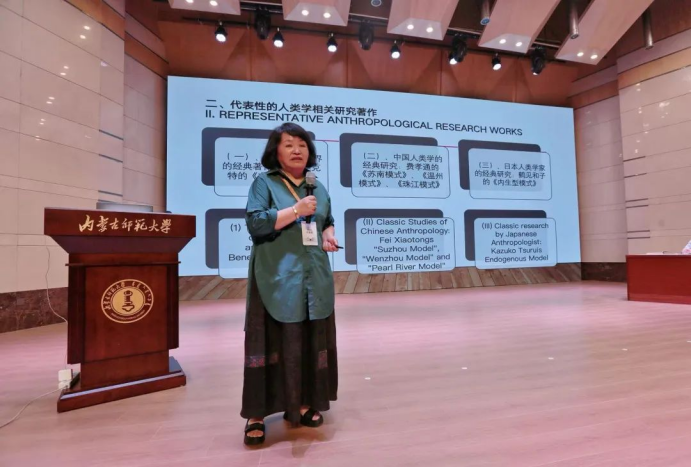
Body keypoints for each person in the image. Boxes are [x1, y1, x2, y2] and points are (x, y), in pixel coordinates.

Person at [241, 123, 339, 447]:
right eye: (289, 144)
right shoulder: (264, 183)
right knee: (271, 342)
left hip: (313, 277)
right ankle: (257, 415)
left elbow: (327, 221)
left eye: (302, 145)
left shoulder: (317, 187)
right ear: (276, 151)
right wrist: (296, 210)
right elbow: (256, 223)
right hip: (276, 277)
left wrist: (328, 236)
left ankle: (302, 403)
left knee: (308, 340)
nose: (297, 150)